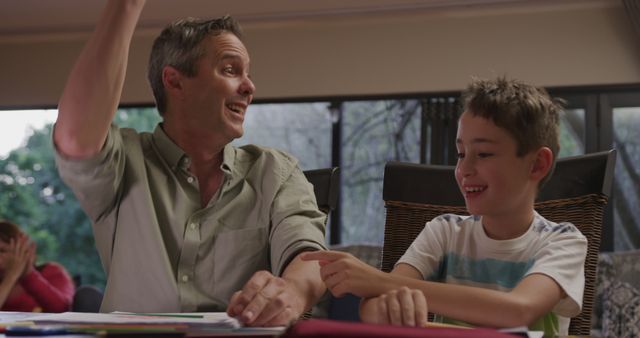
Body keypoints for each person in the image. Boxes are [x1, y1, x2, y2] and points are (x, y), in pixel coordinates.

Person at [53, 0, 326, 326]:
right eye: (230, 69)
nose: (250, 87)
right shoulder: (124, 161)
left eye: (248, 74)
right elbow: (75, 137)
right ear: (175, 81)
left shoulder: (275, 172)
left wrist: (292, 290)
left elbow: (309, 256)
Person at [302, 77, 587, 336]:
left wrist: (377, 281)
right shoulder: (444, 231)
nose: (464, 169)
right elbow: (374, 307)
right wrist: (387, 304)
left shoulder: (564, 241)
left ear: (537, 164)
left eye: (484, 153)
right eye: (461, 153)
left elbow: (518, 310)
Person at [0, 220, 74, 312]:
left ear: (24, 250)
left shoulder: (52, 273)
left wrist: (28, 274)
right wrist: (11, 277)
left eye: (2, 251)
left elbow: (63, 311)